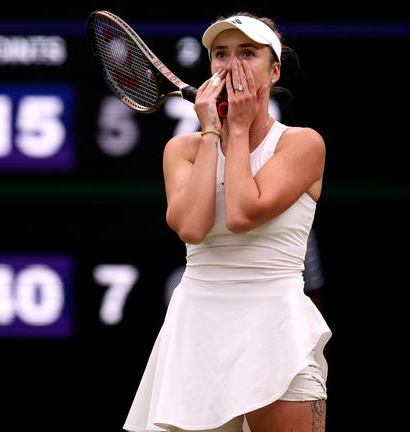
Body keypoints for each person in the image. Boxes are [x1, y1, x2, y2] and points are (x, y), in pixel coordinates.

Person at [123, 12, 332, 432]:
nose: (231, 65)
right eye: (221, 54)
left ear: (273, 71)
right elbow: (192, 228)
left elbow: (241, 214)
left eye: (247, 53)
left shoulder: (302, 143)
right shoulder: (181, 149)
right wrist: (212, 133)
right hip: (195, 335)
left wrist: (235, 130)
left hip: (277, 329)